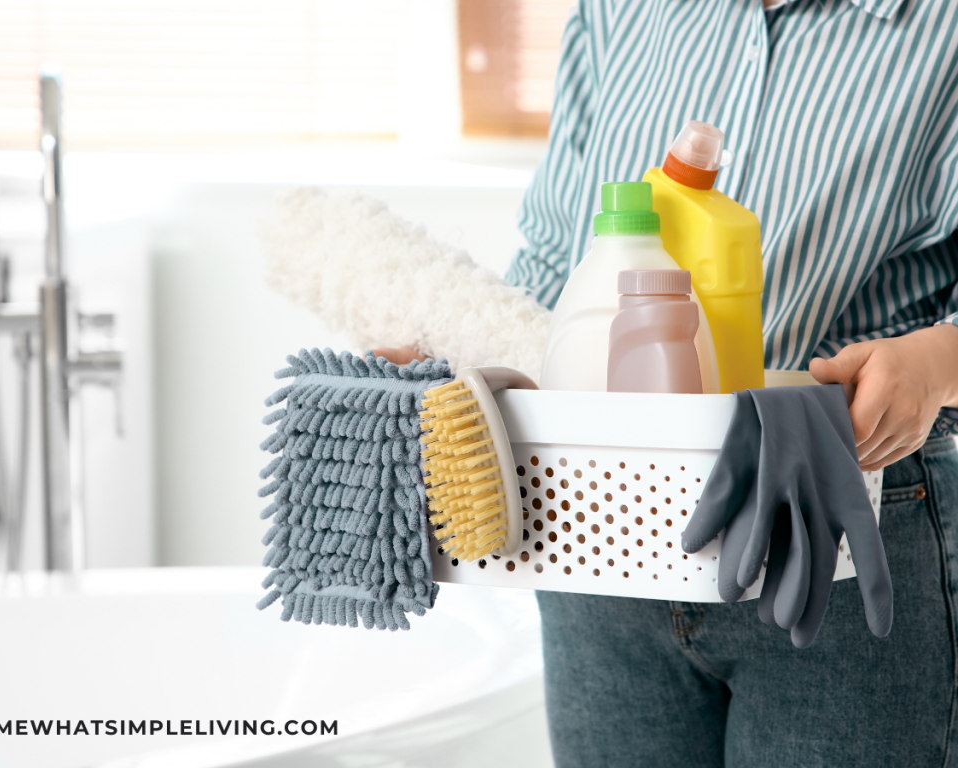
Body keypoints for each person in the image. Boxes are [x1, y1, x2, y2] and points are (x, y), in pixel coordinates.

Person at [379, 0, 958, 764]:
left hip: (837, 531)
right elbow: (557, 262)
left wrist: (936, 363)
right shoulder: (621, 9)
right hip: (599, 531)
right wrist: (453, 359)